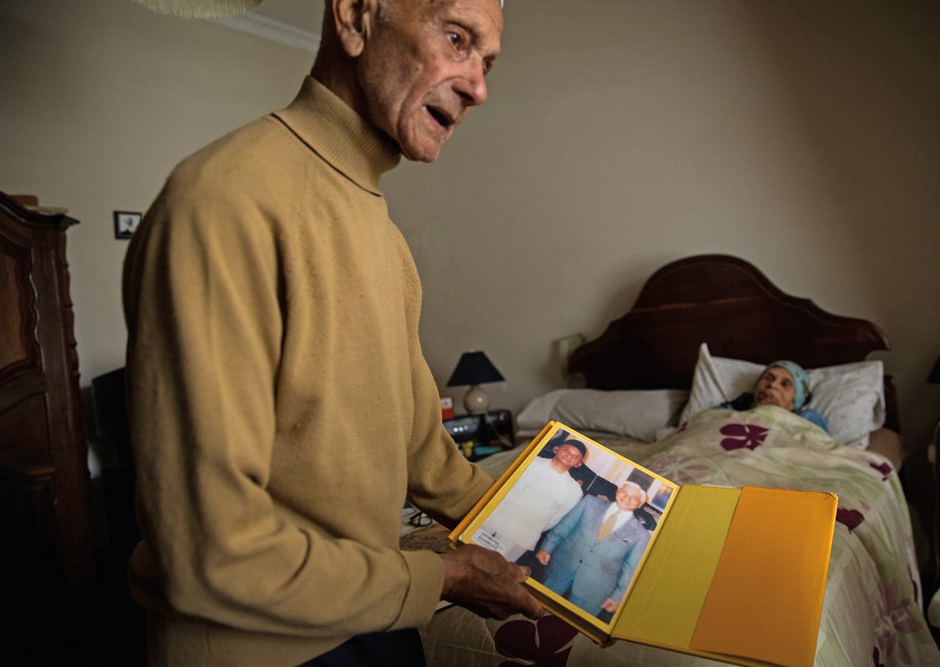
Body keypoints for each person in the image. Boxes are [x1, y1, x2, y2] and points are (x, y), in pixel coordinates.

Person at [122, 1, 542, 665]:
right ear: (355, 17)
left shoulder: (387, 239)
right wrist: (446, 577)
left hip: (377, 622)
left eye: (487, 63)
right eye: (457, 39)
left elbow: (424, 457)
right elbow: (210, 549)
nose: (479, 87)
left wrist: (563, 521)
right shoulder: (219, 202)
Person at [534, 481, 651, 620]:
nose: (627, 498)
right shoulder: (590, 503)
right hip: (561, 567)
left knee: (568, 628)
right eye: (624, 492)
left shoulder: (641, 535)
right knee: (534, 607)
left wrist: (618, 596)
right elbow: (565, 526)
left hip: (595, 589)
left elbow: (630, 569)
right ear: (617, 492)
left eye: (634, 497)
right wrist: (546, 547)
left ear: (639, 505)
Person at [473, 435, 586, 562]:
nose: (569, 456)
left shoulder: (574, 491)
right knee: (468, 550)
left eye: (575, 456)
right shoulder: (531, 462)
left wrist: (532, 524)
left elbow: (555, 519)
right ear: (556, 449)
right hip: (493, 517)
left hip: (524, 533)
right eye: (567, 450)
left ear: (578, 464)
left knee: (497, 568)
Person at [720, 360, 829, 432]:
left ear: (794, 401)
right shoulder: (725, 412)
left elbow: (822, 451)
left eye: (785, 384)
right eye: (768, 378)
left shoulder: (806, 419)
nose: (772, 385)